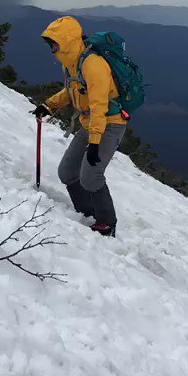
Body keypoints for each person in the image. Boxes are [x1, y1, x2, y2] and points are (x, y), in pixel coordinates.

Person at [35, 16, 127, 237]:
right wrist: (49, 105)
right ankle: (87, 213)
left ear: (66, 41)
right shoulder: (72, 63)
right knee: (67, 172)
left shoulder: (93, 64)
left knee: (91, 176)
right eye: (50, 44)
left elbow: (99, 107)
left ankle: (106, 223)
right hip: (90, 123)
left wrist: (94, 143)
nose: (51, 49)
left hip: (109, 123)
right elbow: (72, 91)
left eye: (53, 43)